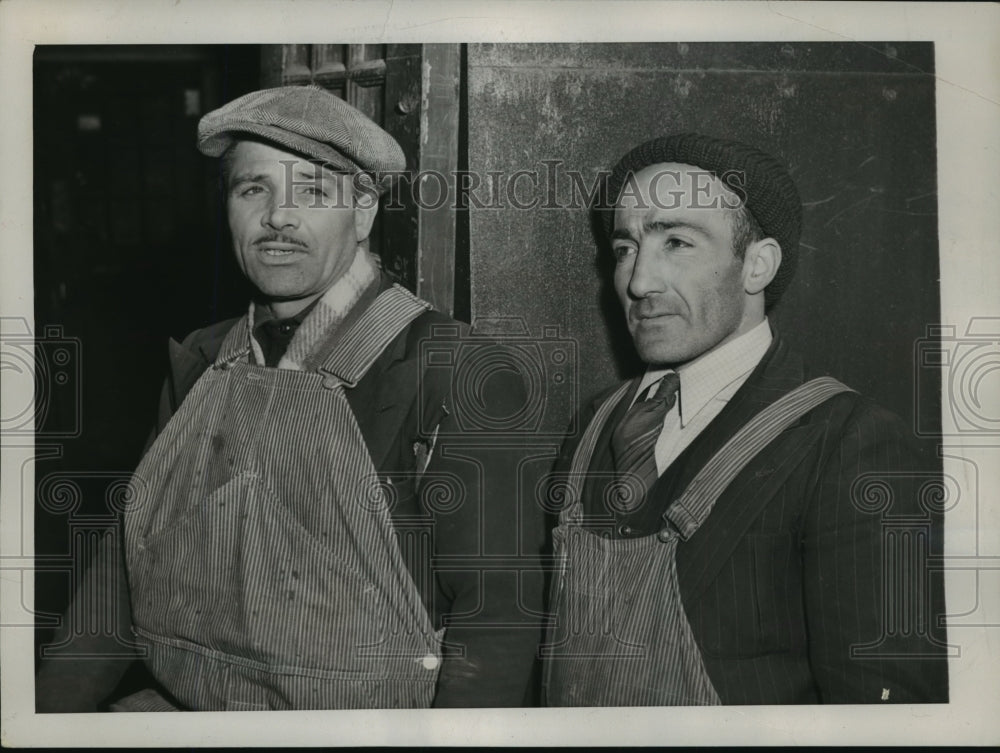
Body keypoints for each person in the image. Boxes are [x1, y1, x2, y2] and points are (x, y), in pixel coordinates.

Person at [35, 85, 544, 711]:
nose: (278, 216)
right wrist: (46, 716)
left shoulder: (456, 369)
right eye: (253, 190)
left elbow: (497, 619)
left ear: (362, 212)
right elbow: (123, 564)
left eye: (312, 191)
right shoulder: (203, 359)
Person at [542, 133, 949, 706]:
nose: (638, 282)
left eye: (677, 242)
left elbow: (888, 714)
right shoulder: (593, 426)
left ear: (757, 265)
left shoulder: (851, 443)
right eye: (625, 248)